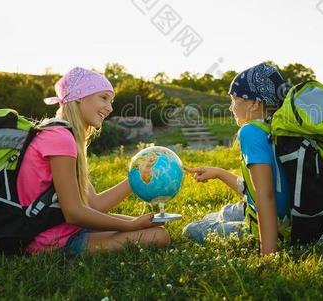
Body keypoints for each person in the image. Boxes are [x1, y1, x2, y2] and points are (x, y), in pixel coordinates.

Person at [18, 67, 170, 255]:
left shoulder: (62, 135)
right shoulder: (60, 138)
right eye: (104, 98)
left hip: (64, 228)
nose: (110, 108)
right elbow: (74, 213)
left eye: (111, 101)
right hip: (50, 240)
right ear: (80, 96)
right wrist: (129, 226)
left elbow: (95, 205)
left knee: (151, 229)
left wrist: (138, 176)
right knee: (158, 235)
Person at [183, 63, 291, 255]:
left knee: (192, 229)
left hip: (274, 225)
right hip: (290, 215)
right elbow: (259, 187)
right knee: (225, 211)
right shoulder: (276, 127)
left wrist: (268, 253)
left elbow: (265, 195)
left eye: (235, 99)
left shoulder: (250, 132)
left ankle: (261, 238)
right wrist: (218, 173)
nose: (232, 107)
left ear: (255, 103)